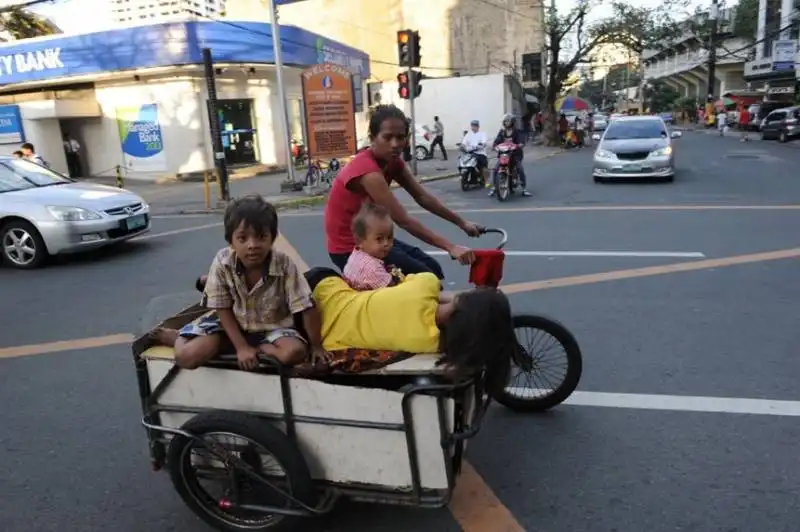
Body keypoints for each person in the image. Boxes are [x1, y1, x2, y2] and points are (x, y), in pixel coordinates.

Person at [160, 196, 328, 371]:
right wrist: (241, 346)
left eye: (261, 237)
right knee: (185, 357)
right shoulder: (222, 262)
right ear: (230, 241)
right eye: (243, 238)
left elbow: (306, 306)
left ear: (272, 238)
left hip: (272, 329)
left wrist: (316, 345)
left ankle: (253, 349)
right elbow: (222, 308)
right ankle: (180, 336)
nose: (252, 245)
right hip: (230, 327)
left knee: (295, 352)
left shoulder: (284, 264)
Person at [325, 105, 480, 279]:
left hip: (373, 238)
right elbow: (403, 220)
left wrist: (462, 223)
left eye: (400, 137)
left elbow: (422, 197)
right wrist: (451, 247)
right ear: (372, 138)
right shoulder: (367, 171)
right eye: (387, 137)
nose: (395, 144)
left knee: (432, 268)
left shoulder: (393, 162)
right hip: (350, 248)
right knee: (425, 277)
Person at [307, 267, 516, 394]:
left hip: (323, 288)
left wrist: (457, 299)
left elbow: (408, 281)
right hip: (322, 335)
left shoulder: (426, 284)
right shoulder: (430, 342)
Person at [342, 202, 404, 291]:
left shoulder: (356, 254)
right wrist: (396, 277)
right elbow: (392, 289)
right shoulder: (373, 269)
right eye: (379, 239)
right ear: (360, 241)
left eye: (389, 237)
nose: (386, 243)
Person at [489, 114, 530, 197]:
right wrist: (494, 146)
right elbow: (497, 141)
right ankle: (494, 187)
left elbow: (521, 141)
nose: (507, 123)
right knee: (496, 169)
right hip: (503, 155)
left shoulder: (517, 132)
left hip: (514, 155)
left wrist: (520, 144)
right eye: (506, 121)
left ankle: (524, 188)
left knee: (520, 169)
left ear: (512, 122)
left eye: (509, 121)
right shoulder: (502, 132)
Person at [460, 119, 489, 185]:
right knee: (462, 161)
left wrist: (481, 145)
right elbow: (464, 143)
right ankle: (470, 177)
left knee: (483, 165)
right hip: (470, 153)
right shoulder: (468, 134)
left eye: (475, 126)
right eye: (472, 125)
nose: (474, 127)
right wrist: (462, 146)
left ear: (478, 126)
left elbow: (484, 143)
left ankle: (485, 180)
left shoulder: (482, 134)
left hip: (480, 153)